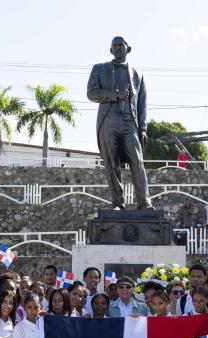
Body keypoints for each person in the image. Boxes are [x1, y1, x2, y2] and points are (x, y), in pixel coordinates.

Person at [86, 36, 152, 210]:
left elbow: (142, 105)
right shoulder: (99, 69)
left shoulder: (138, 75)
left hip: (130, 122)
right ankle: (117, 203)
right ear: (110, 50)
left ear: (127, 48)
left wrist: (143, 128)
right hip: (109, 120)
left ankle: (144, 202)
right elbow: (91, 93)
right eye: (113, 46)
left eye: (120, 44)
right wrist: (115, 95)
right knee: (112, 163)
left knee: (137, 161)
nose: (117, 48)